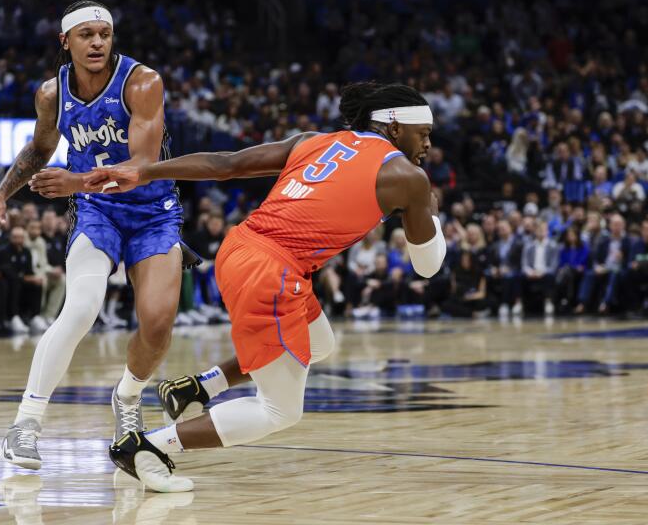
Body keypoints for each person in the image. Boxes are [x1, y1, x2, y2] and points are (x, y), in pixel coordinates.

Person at [86, 81, 443, 492]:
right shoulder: (407, 176)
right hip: (273, 272)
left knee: (319, 342)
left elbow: (226, 164)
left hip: (241, 247)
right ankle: (147, 447)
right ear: (396, 128)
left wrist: (145, 171)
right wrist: (430, 213)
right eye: (425, 133)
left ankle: (199, 388)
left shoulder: (317, 140)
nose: (429, 144)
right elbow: (428, 266)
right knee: (280, 411)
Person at [0, 1, 192, 471]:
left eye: (104, 33)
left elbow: (144, 164)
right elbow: (40, 148)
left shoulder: (142, 82)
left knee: (157, 325)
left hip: (153, 213)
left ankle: (127, 398)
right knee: (79, 308)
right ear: (65, 41)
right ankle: (25, 425)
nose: (97, 42)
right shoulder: (51, 94)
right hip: (98, 211)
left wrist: (74, 181)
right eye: (86, 35)